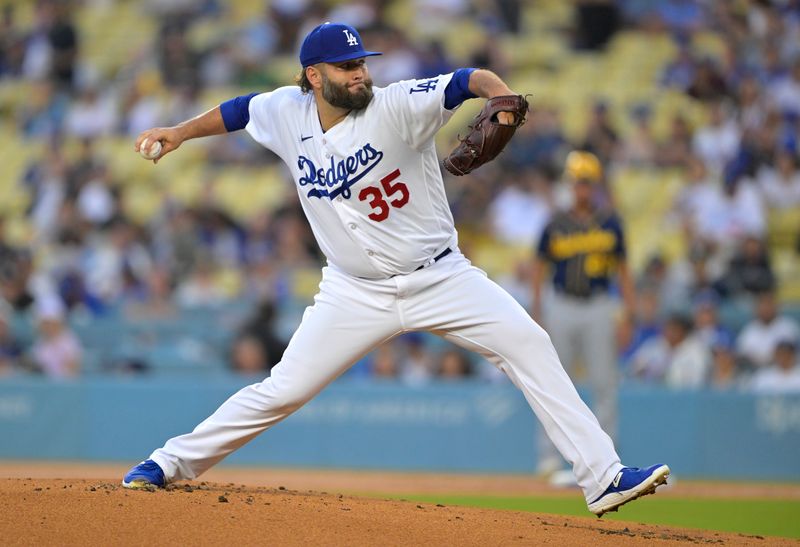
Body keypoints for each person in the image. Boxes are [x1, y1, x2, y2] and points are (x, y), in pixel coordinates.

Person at [121, 22, 668, 516]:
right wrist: (179, 132)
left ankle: (604, 477)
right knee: (283, 389)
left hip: (440, 277)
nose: (360, 75)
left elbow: (466, 79)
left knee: (527, 343)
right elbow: (240, 110)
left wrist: (499, 95)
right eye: (347, 67)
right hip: (352, 292)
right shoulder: (287, 110)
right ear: (313, 76)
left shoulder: (397, 104)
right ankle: (169, 464)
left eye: (363, 64)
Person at [531, 150, 635, 477]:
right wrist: (537, 311)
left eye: (587, 183)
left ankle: (608, 459)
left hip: (599, 305)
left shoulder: (610, 221)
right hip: (561, 304)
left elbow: (623, 271)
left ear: (596, 186)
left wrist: (628, 315)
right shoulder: (555, 223)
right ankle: (549, 458)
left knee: (604, 383)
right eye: (577, 183)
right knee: (554, 383)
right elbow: (538, 268)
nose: (582, 189)